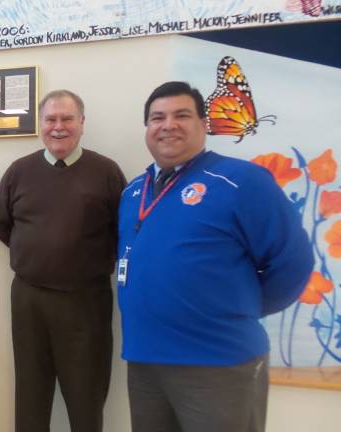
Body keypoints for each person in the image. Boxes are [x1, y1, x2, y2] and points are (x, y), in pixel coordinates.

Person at [117, 81, 314, 432]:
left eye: (182, 115)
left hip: (217, 362)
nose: (168, 124)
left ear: (204, 124)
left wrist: (239, 308)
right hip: (145, 363)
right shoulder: (134, 191)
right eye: (157, 117)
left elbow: (293, 262)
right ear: (146, 128)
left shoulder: (242, 181)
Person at [0, 89, 126, 432]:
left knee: (86, 397)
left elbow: (124, 233)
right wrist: (39, 255)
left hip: (86, 301)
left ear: (82, 123)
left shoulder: (106, 172)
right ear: (40, 124)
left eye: (67, 119)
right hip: (29, 299)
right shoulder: (19, 171)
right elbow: (2, 224)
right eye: (51, 119)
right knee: (30, 396)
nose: (58, 127)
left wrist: (74, 259)